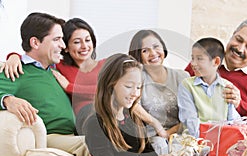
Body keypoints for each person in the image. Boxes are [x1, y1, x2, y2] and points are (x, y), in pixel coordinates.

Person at [2, 18, 165, 137]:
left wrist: (155, 123)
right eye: (77, 42)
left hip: (115, 118)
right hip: (88, 123)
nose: (84, 46)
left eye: (88, 40)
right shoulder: (58, 67)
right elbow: (35, 58)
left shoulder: (106, 65)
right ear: (67, 47)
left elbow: (122, 94)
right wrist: (14, 56)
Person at [70, 53, 178, 156]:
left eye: (139, 87)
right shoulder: (95, 123)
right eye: (129, 86)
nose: (135, 93)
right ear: (111, 84)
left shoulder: (134, 120)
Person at [0, 12, 92, 156]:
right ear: (35, 43)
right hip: (51, 137)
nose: (63, 46)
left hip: (74, 135)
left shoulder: (55, 70)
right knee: (94, 144)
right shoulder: (16, 69)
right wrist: (8, 99)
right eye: (57, 39)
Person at [178, 37, 244, 156]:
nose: (193, 63)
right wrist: (207, 141)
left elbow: (232, 121)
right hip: (196, 144)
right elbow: (190, 120)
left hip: (223, 144)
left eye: (199, 58)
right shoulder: (187, 85)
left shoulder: (227, 87)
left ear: (215, 61)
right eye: (192, 58)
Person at [129, 29, 189, 156]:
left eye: (156, 47)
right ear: (138, 55)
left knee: (181, 146)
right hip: (152, 136)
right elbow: (133, 105)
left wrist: (170, 133)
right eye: (145, 50)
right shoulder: (137, 77)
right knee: (159, 145)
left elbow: (189, 112)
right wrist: (156, 124)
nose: (153, 53)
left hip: (179, 132)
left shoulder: (181, 76)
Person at [185, 19, 247, 126]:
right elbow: (181, 87)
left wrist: (239, 104)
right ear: (232, 35)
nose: (240, 49)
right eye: (239, 40)